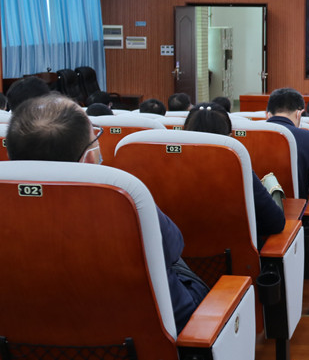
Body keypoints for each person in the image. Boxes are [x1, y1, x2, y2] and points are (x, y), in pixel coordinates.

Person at [5, 94, 209, 333]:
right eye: (95, 135)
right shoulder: (124, 199)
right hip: (139, 337)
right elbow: (174, 247)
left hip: (23, 339)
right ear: (89, 157)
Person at [183, 102, 285, 245]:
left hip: (176, 255)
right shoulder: (238, 170)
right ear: (229, 137)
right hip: (234, 256)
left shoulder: (166, 170)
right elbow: (275, 222)